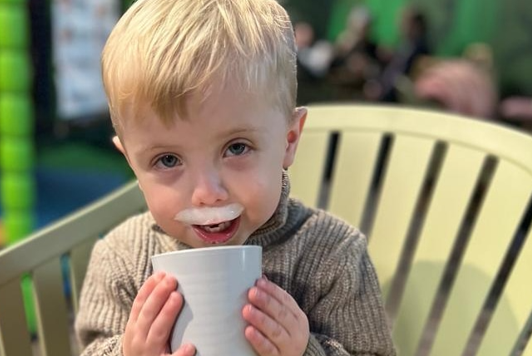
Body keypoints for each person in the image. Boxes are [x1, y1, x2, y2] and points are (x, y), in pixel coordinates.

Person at [75, 0, 396, 355]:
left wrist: (305, 350)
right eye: (167, 159)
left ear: (289, 140)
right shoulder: (121, 260)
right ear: (133, 166)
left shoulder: (334, 256)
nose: (207, 193)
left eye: (237, 148)